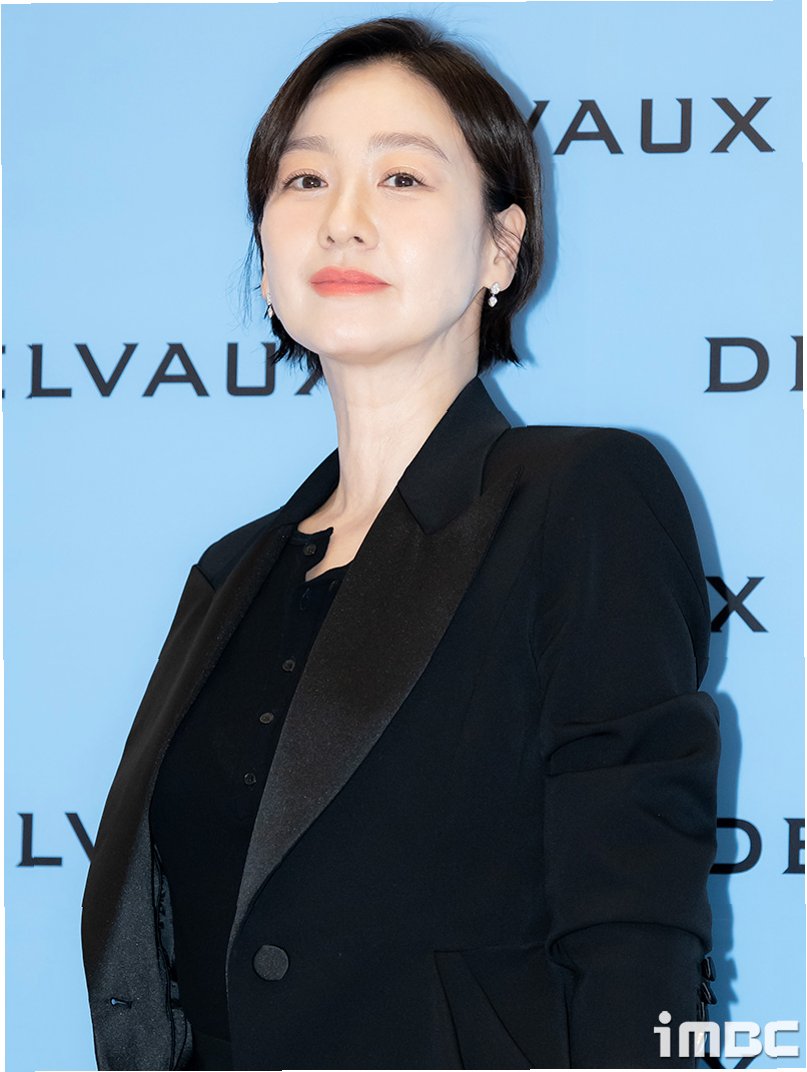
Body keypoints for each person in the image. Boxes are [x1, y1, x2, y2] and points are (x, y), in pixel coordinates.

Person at [80, 15, 720, 1071]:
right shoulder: (231, 571)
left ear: (501, 245)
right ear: (265, 251)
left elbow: (637, 932)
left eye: (403, 179)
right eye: (304, 181)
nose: (343, 222)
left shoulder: (578, 497)